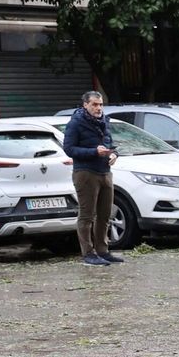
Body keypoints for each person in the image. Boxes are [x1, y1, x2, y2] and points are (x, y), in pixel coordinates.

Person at [62, 90, 121, 266]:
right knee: (87, 215)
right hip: (86, 173)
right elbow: (69, 149)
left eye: (100, 104)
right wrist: (93, 152)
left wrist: (114, 154)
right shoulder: (75, 123)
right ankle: (88, 253)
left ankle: (103, 251)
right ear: (85, 105)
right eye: (95, 104)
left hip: (105, 171)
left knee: (105, 214)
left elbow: (110, 143)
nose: (98, 108)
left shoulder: (104, 121)